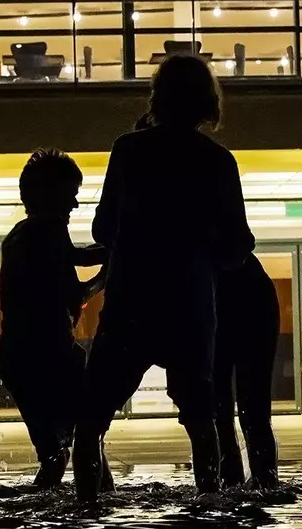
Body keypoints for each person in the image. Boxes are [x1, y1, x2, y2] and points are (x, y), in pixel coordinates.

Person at [71, 54, 255, 499]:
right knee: (200, 421)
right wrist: (202, 255)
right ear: (208, 102)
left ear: (158, 97)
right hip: (190, 306)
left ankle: (86, 511)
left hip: (131, 301)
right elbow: (239, 245)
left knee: (91, 423)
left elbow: (102, 229)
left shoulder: (129, 150)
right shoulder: (217, 161)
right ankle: (210, 513)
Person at [0, 149, 105, 488]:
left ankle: (40, 521)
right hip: (49, 355)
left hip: (17, 356)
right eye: (71, 195)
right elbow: (77, 285)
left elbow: (74, 262)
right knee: (89, 435)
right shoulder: (49, 227)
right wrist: (113, 268)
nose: (74, 205)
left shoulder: (19, 234)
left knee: (54, 456)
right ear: (52, 194)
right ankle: (101, 507)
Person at [214, 252, 281, 487]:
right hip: (252, 299)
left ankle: (229, 482)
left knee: (224, 410)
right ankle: (264, 481)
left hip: (235, 298)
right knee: (250, 410)